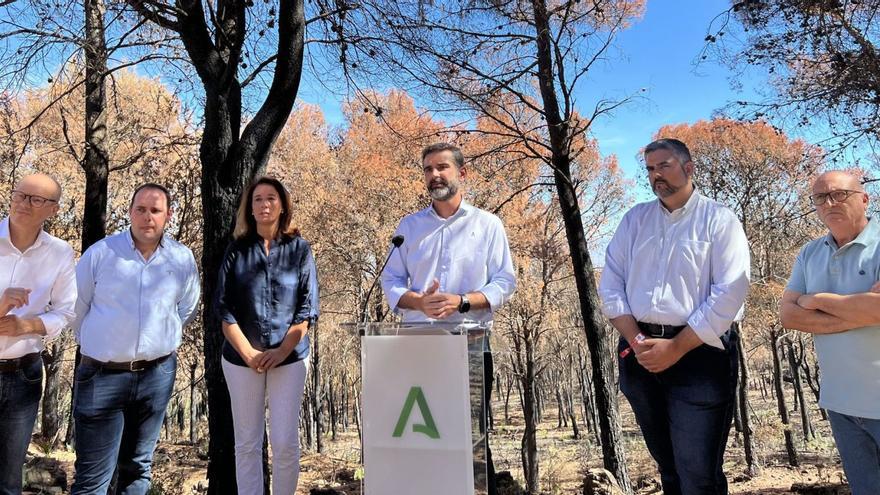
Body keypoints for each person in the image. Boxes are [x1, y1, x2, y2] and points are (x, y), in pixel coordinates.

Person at [598, 138, 750, 495]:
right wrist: (636, 341)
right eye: (650, 169)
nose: (656, 176)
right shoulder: (635, 219)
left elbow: (730, 292)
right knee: (668, 470)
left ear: (688, 167)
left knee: (698, 474)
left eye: (664, 166)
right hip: (640, 353)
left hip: (699, 353)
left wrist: (677, 348)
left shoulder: (719, 220)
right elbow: (610, 284)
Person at [380, 142, 516, 495]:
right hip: (416, 346)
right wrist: (419, 302)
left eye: (442, 167)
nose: (434, 175)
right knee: (421, 433)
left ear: (462, 173)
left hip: (469, 344)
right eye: (428, 169)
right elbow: (391, 280)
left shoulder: (487, 225)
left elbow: (505, 280)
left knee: (470, 437)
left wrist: (462, 301)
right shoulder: (408, 227)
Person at [71, 183, 200, 495]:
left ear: (168, 216)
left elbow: (187, 308)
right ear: (129, 212)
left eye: (155, 210)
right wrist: (105, 345)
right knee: (92, 479)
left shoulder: (182, 259)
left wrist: (155, 342)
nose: (147, 217)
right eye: (140, 209)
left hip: (157, 375)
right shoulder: (101, 254)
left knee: (138, 468)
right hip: (101, 376)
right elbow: (77, 309)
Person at [214, 176, 318, 495]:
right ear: (250, 207)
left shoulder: (299, 250)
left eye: (270, 198)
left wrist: (282, 351)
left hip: (289, 360)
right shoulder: (236, 250)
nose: (264, 204)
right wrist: (248, 353)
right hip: (241, 360)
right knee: (247, 443)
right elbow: (223, 306)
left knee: (285, 442)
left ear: (282, 204)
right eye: (257, 199)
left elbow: (307, 309)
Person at [780, 170, 880, 495]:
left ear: (864, 199)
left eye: (840, 194)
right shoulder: (810, 253)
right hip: (841, 404)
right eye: (821, 198)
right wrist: (861, 310)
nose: (830, 203)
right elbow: (788, 315)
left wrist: (816, 300)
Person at [0, 174, 76, 495]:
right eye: (20, 195)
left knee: (7, 480)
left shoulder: (59, 253)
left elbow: (67, 311)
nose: (23, 204)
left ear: (54, 210)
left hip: (23, 376)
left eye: (36, 200)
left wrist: (27, 325)